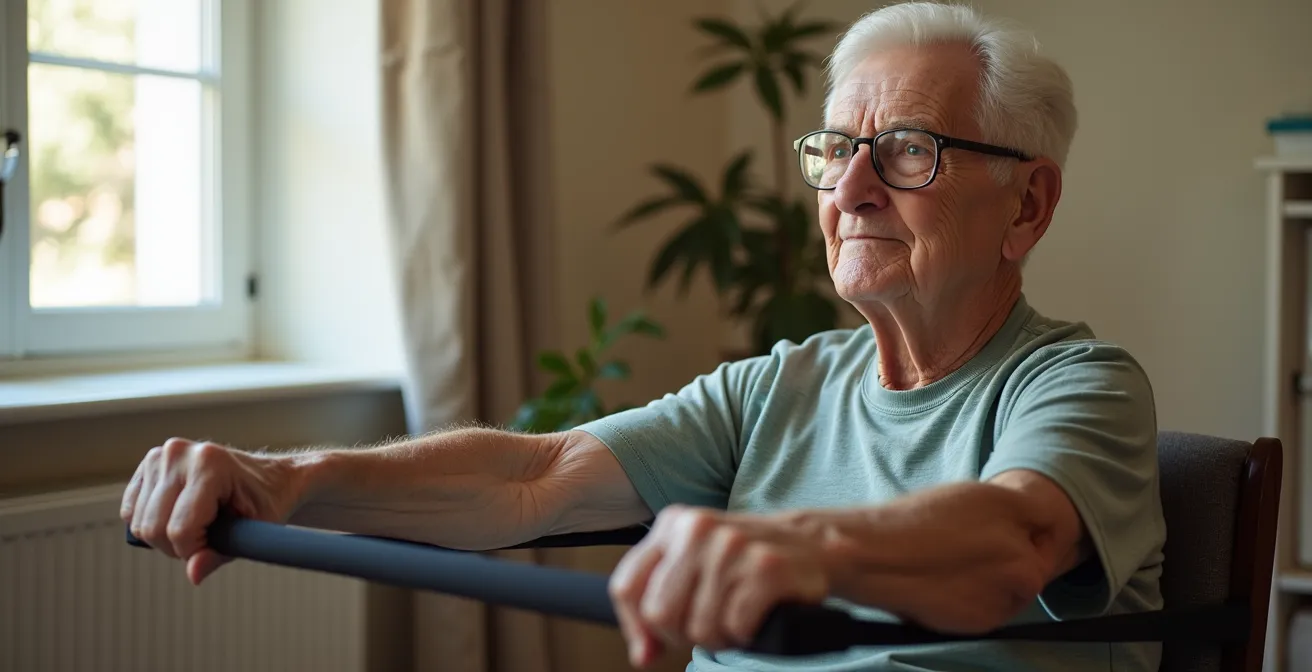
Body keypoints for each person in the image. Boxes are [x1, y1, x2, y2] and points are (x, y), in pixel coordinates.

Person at [121, 3, 1165, 671]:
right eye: (837, 149)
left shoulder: (1075, 385)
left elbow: (1011, 543)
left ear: (1027, 206)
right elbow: (536, 477)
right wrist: (288, 480)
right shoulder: (783, 385)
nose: (848, 189)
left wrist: (800, 543)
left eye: (904, 151)